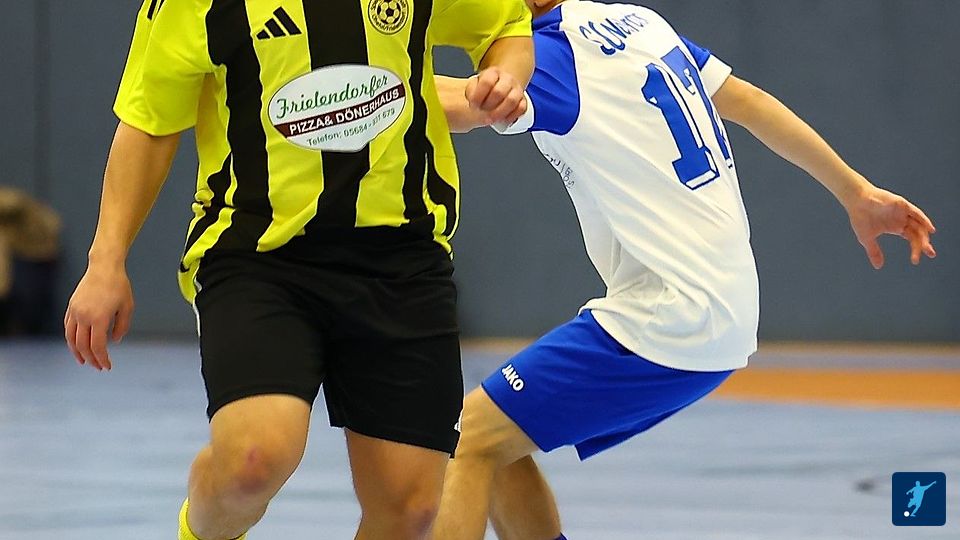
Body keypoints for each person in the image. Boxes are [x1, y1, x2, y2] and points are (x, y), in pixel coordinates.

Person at [431, 0, 937, 538]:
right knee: (498, 440)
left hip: (668, 315)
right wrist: (855, 191)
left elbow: (459, 106)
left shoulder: (554, 55)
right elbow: (750, 102)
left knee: (467, 439)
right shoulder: (642, 23)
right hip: (722, 307)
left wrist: (374, 67)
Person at [63, 0, 533, 539]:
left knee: (410, 510)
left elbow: (506, 24)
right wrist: (105, 262)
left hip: (401, 260)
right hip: (257, 256)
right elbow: (148, 124)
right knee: (250, 464)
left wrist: (505, 76)